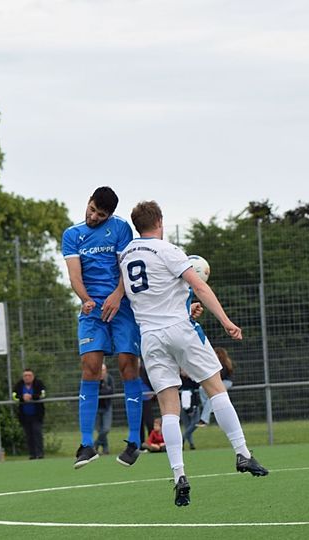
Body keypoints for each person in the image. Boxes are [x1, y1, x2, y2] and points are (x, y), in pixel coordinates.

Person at [118, 201, 268, 507]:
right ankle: (242, 453)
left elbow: (155, 294)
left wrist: (185, 306)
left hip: (150, 338)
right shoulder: (168, 250)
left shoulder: (126, 255)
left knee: (168, 407)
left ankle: (179, 476)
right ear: (159, 221)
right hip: (180, 330)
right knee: (215, 388)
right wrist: (226, 321)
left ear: (137, 225)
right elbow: (199, 286)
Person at [62, 186, 144, 469]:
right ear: (88, 202)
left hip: (122, 308)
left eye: (101, 214)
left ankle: (134, 442)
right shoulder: (72, 235)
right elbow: (75, 276)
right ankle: (87, 445)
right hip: (92, 311)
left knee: (127, 366)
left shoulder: (121, 228)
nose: (94, 216)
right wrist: (85, 299)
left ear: (110, 215)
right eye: (93, 209)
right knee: (90, 368)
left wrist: (118, 295)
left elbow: (126, 269)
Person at [12, 369, 46, 459]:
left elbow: (42, 394)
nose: (27, 377)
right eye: (25, 376)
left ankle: (40, 453)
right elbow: (14, 396)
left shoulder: (38, 384)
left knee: (37, 433)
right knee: (28, 435)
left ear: (33, 376)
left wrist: (32, 397)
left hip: (37, 415)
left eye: (29, 375)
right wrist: (22, 398)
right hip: (24, 415)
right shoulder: (19, 385)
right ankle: (32, 454)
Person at [197, 348, 235, 426]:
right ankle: (211, 409)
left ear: (220, 354)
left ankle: (204, 420)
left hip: (226, 382)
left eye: (216, 353)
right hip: (217, 382)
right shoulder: (212, 362)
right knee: (201, 389)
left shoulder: (225, 363)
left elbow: (222, 376)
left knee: (212, 395)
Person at [94, 364, 114, 455]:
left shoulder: (109, 379)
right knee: (99, 429)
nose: (102, 372)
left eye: (103, 370)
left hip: (107, 407)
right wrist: (105, 391)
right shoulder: (94, 379)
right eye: (100, 370)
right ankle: (105, 449)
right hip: (96, 407)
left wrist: (103, 391)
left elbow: (111, 391)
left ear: (106, 370)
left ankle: (95, 444)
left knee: (106, 429)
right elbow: (95, 392)